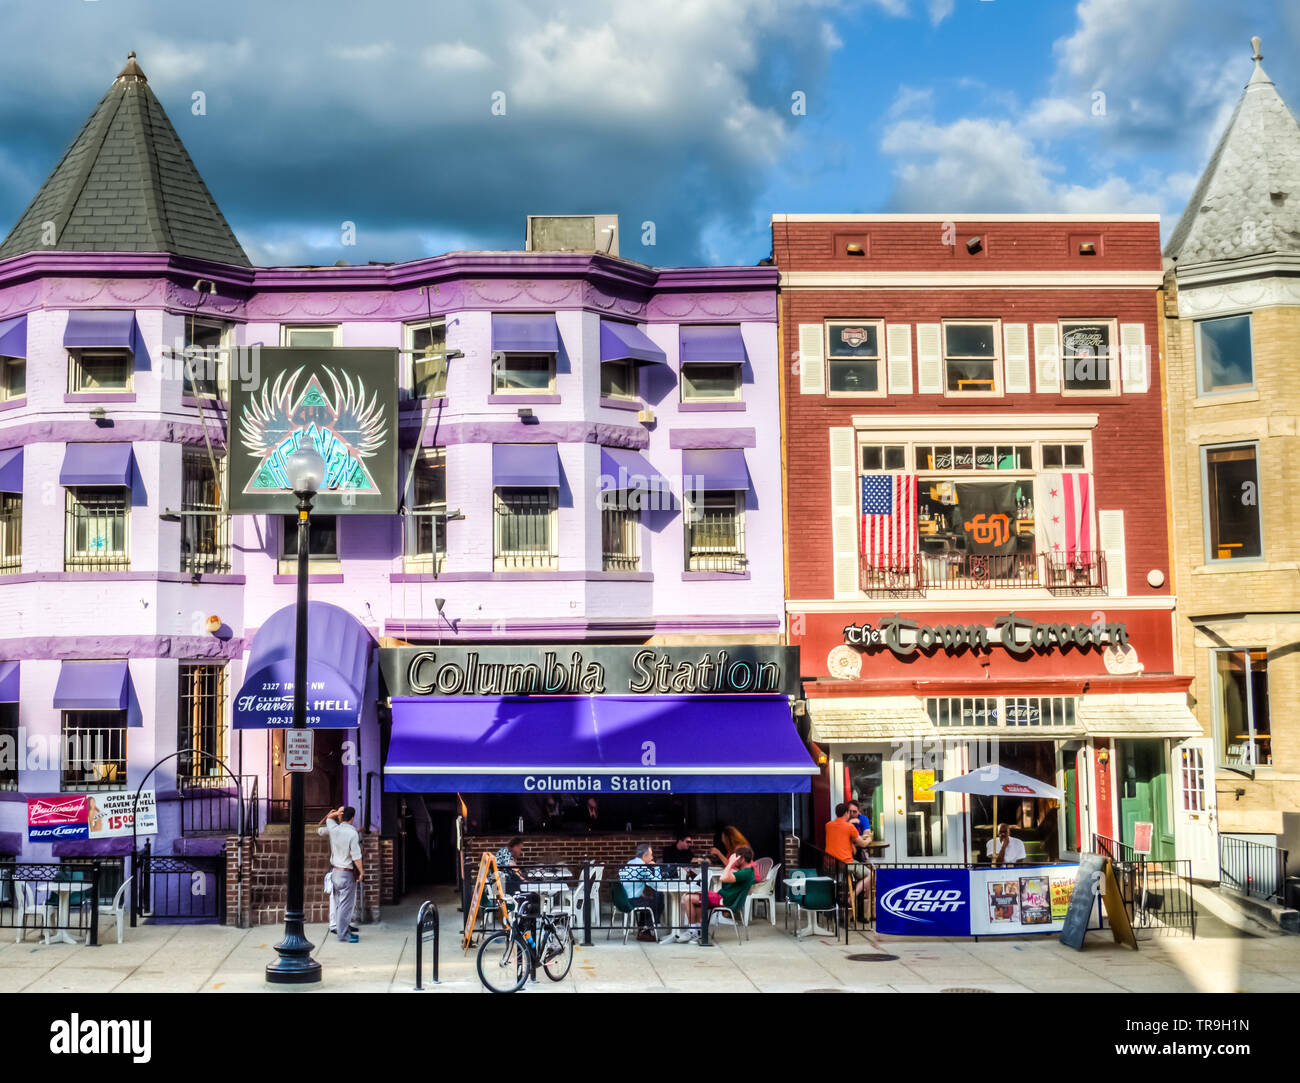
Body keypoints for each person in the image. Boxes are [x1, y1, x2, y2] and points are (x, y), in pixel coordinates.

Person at [678, 846, 756, 942]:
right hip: (723, 897)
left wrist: (730, 863)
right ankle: (696, 931)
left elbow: (723, 878)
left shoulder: (745, 873)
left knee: (688, 898)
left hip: (724, 900)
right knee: (695, 897)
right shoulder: (747, 872)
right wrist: (731, 866)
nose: (734, 860)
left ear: (742, 859)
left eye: (736, 858)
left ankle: (693, 932)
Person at [317, 805, 363, 943]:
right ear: (353, 818)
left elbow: (326, 822)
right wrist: (361, 871)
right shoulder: (352, 833)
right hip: (347, 873)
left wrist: (334, 813)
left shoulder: (333, 828)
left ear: (341, 816)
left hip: (335, 872)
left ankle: (344, 931)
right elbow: (356, 856)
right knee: (345, 907)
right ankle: (343, 935)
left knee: (338, 905)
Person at [825, 802, 870, 903]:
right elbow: (862, 844)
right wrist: (869, 839)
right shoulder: (849, 827)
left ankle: (839, 902)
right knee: (869, 874)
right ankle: (852, 897)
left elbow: (840, 838)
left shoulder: (828, 825)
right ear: (846, 813)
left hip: (830, 864)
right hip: (845, 863)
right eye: (850, 812)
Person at [619, 842, 665, 941]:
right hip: (632, 900)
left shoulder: (630, 863)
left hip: (624, 898)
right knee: (658, 899)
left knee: (648, 901)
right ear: (645, 855)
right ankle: (646, 930)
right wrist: (656, 867)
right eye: (651, 855)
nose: (652, 858)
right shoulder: (641, 867)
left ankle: (643, 929)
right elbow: (656, 883)